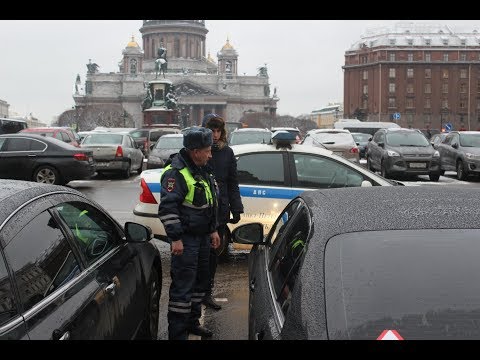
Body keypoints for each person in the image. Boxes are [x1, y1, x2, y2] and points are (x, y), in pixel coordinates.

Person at [158, 127, 221, 340]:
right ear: (195, 151)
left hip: (203, 237)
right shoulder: (175, 174)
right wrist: (175, 238)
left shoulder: (202, 169)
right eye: (207, 150)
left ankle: (193, 323)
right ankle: (177, 334)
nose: (210, 154)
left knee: (199, 285)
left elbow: (209, 203)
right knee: (182, 289)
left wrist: (212, 230)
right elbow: (168, 209)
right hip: (185, 240)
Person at [201, 113, 244, 310]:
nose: (215, 135)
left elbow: (233, 183)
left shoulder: (227, 153)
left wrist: (237, 208)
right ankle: (196, 294)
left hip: (220, 211)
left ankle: (207, 293)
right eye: (212, 130)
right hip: (201, 212)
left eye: (218, 131)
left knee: (213, 256)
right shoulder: (199, 150)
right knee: (199, 255)